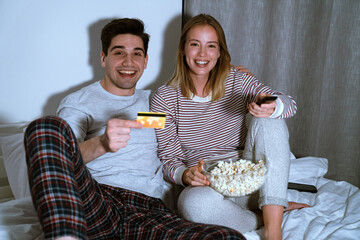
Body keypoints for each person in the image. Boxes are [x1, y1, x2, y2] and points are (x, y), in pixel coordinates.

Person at [23, 18, 246, 240]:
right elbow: (59, 157)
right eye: (119, 53)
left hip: (149, 210)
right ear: (103, 58)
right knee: (44, 127)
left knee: (227, 237)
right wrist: (102, 144)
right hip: (97, 201)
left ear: (146, 60)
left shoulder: (158, 101)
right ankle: (65, 236)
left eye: (137, 53)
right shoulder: (79, 103)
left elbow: (198, 113)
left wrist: (229, 75)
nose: (128, 62)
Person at [150, 14, 308, 240]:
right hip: (207, 187)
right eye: (195, 45)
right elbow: (166, 156)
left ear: (220, 52)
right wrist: (184, 175)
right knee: (192, 205)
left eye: (211, 46)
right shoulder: (163, 98)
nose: (203, 54)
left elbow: (289, 103)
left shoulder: (238, 80)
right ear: (183, 49)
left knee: (269, 118)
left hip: (252, 181)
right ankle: (263, 217)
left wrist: (274, 105)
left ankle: (273, 229)